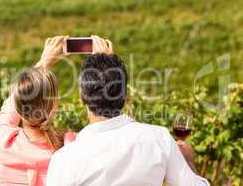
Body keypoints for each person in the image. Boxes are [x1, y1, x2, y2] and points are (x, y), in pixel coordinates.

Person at [46, 36, 210, 186]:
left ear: (82, 95)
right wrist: (188, 161)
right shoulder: (159, 139)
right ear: (125, 94)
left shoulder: (64, 160)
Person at [0, 36, 75, 186]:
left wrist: (43, 62)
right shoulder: (69, 147)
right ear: (54, 107)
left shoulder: (2, 142)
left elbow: (9, 108)